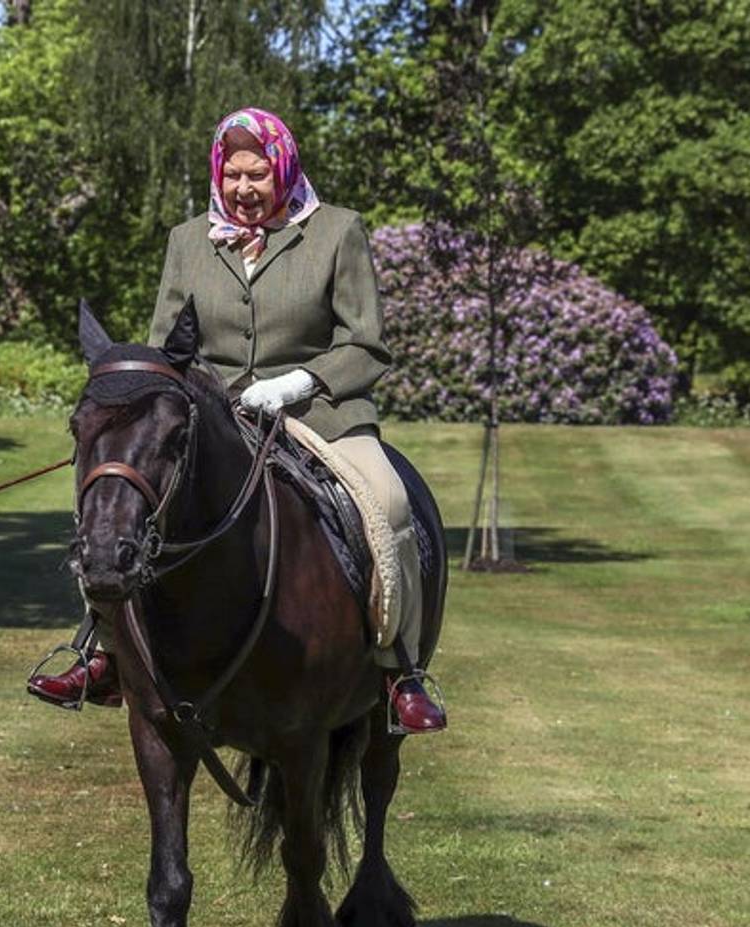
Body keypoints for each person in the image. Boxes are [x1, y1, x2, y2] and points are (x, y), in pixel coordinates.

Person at [29, 106, 445, 733]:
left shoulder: (336, 232)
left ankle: (399, 668)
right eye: (234, 176)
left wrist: (298, 383)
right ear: (218, 175)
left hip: (320, 412)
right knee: (121, 504)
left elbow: (366, 344)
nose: (246, 189)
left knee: (387, 502)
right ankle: (105, 653)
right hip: (213, 416)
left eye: (258, 175)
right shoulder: (187, 241)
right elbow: (168, 348)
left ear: (283, 169)